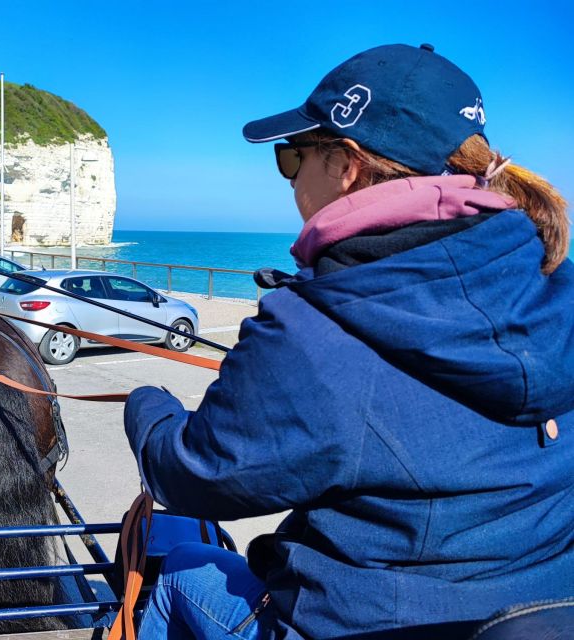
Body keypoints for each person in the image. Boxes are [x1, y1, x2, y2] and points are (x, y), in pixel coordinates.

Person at [125, 44, 573, 639]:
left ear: (346, 165)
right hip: (536, 611)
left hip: (367, 622)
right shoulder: (554, 282)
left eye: (291, 157)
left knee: (184, 568)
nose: (289, 180)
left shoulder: (310, 328)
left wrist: (146, 404)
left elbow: (194, 475)